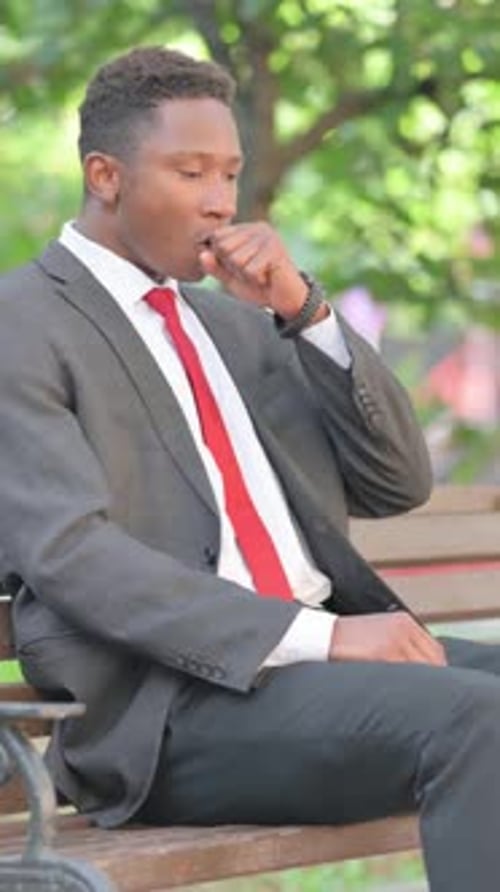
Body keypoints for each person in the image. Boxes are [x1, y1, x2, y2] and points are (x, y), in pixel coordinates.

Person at [0, 45, 499, 892]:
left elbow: (395, 482)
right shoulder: (23, 323)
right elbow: (72, 554)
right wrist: (328, 635)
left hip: (315, 682)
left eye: (229, 172)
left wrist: (307, 313)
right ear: (105, 175)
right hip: (172, 716)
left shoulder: (235, 326)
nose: (221, 200)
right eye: (190, 171)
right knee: (482, 722)